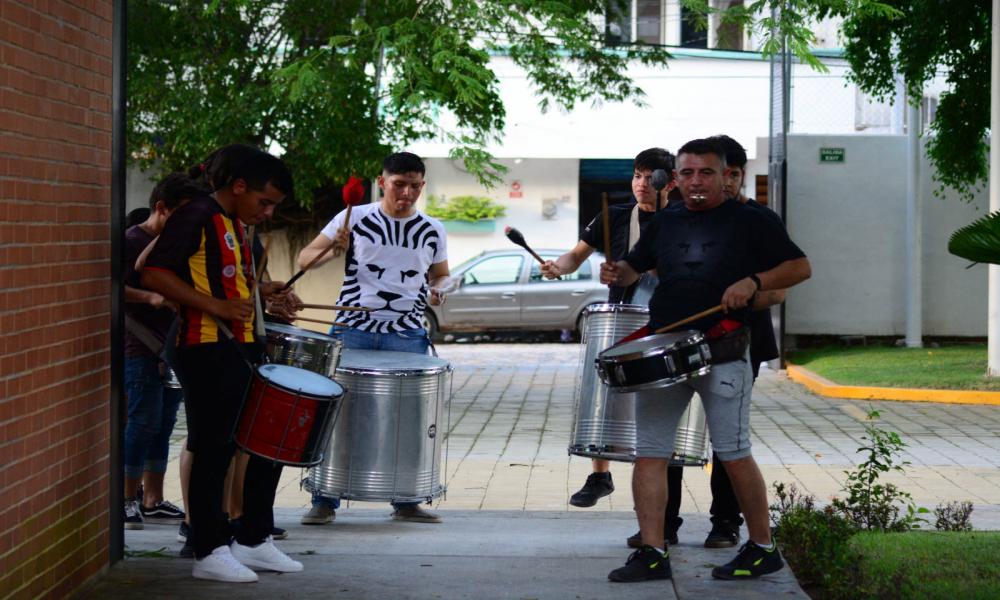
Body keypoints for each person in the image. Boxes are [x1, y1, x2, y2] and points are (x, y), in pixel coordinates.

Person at [600, 138, 811, 583]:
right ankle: (653, 551)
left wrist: (753, 282)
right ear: (675, 179)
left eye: (706, 173)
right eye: (688, 173)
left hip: (725, 347)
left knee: (733, 452)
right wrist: (618, 272)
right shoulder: (667, 219)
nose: (697, 182)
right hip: (665, 347)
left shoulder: (752, 218)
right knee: (651, 453)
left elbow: (799, 267)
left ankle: (762, 546)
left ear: (725, 176)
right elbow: (635, 266)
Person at [142, 144, 302, 583]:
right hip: (203, 346)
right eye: (264, 201)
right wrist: (213, 305)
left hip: (238, 346)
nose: (267, 212)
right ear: (238, 186)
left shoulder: (233, 221)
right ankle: (208, 549)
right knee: (213, 448)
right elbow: (150, 269)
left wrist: (260, 292)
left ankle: (252, 538)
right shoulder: (197, 214)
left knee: (254, 445)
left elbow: (223, 281)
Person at [297, 151, 450, 525]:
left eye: (415, 186)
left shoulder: (432, 229)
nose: (407, 193)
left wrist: (441, 288)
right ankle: (324, 498)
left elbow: (440, 274)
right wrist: (334, 248)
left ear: (422, 186)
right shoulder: (355, 218)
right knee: (338, 414)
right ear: (382, 182)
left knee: (408, 419)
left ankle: (406, 498)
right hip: (354, 329)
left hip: (408, 331)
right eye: (399, 185)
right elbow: (304, 259)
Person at [539, 148, 676, 516]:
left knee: (659, 405)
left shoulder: (682, 220)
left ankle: (660, 485)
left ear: (670, 182)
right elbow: (576, 255)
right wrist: (558, 268)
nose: (642, 184)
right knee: (605, 393)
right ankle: (600, 473)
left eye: (651, 177)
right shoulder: (615, 216)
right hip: (622, 317)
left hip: (669, 320)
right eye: (637, 175)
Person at [123, 174, 201, 532]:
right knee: (141, 422)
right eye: (180, 215)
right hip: (139, 345)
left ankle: (153, 499)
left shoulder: (175, 245)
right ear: (161, 208)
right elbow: (115, 289)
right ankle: (125, 498)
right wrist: (150, 296)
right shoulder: (132, 239)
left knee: (164, 425)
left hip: (173, 345)